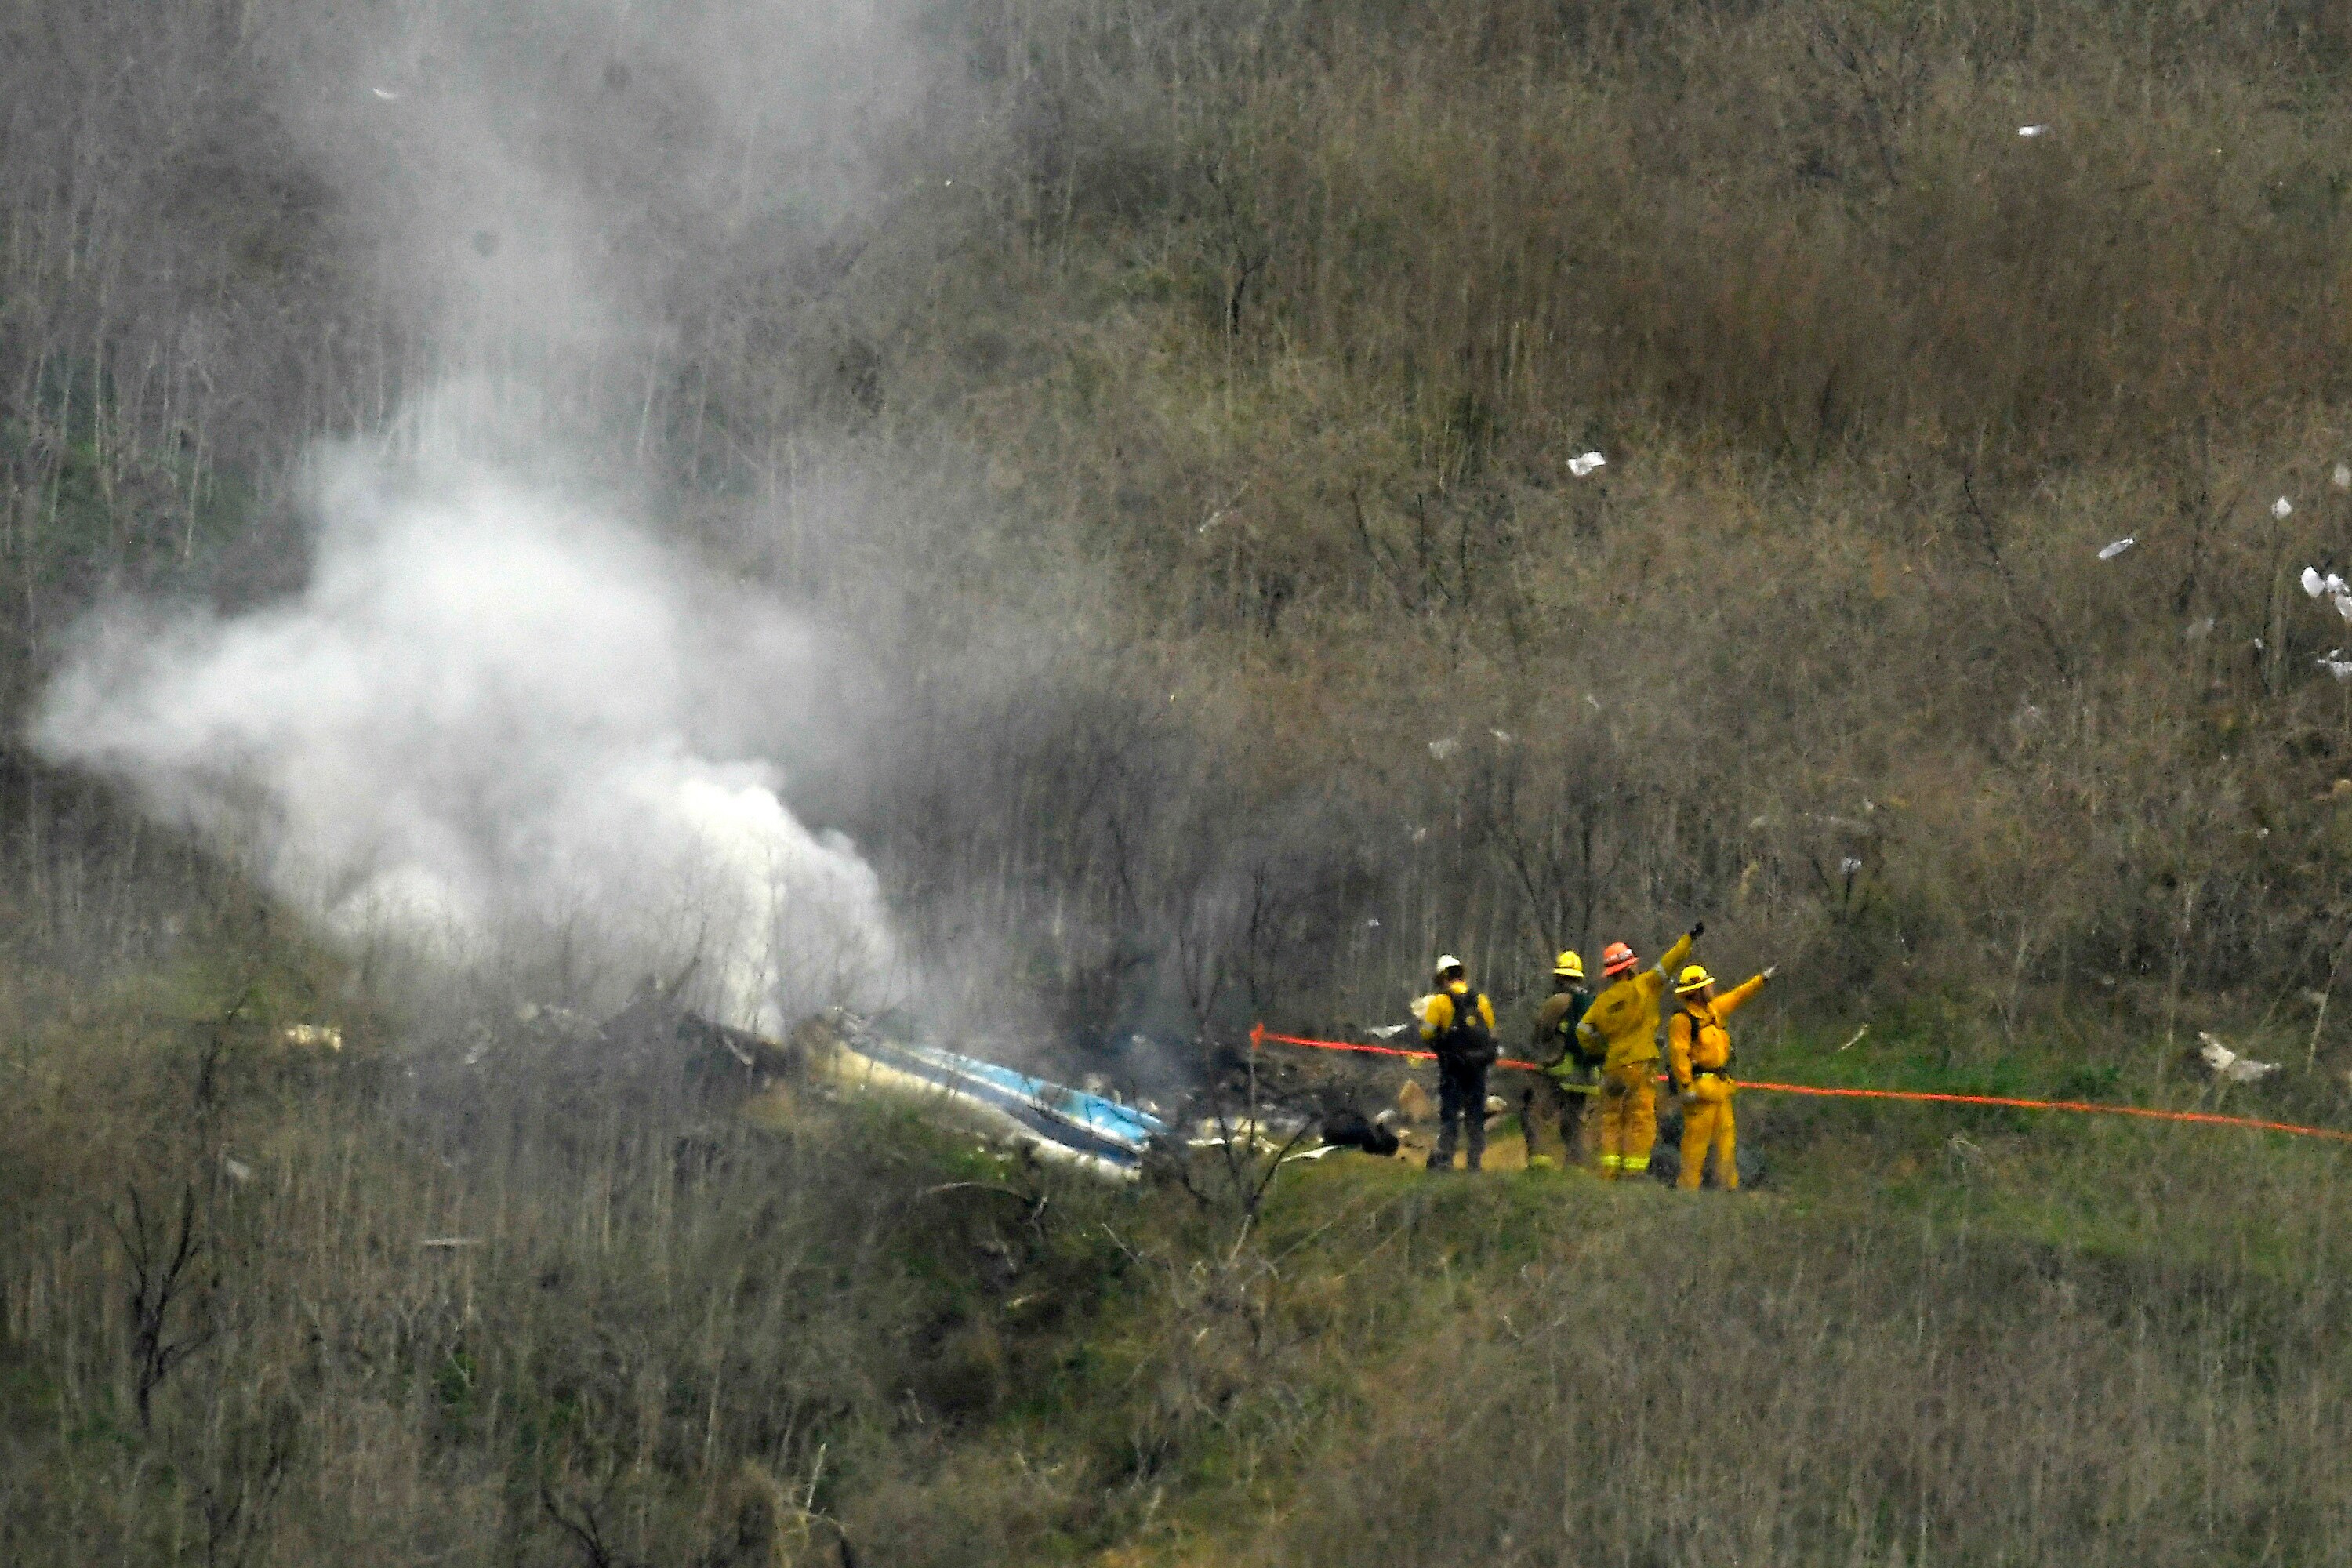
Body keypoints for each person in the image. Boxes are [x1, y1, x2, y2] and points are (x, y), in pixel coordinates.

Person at [1573, 922, 1702, 1180]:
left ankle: (1609, 1174)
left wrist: (1601, 1049)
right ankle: (1634, 1176)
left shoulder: (1602, 1002)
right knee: (1639, 1120)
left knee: (1610, 1120)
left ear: (1610, 973)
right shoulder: (1645, 985)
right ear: (1630, 966)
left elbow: (1582, 1031)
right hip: (1640, 1067)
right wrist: (1688, 939)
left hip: (1612, 1069)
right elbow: (1670, 962)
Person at [1667, 960, 1777, 1191]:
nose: (1712, 988)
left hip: (1720, 1089)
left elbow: (1738, 995)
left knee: (1726, 1142)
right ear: (1697, 992)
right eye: (1707, 985)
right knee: (1695, 1145)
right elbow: (1679, 1054)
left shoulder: (1714, 1010)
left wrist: (1762, 979)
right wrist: (1686, 1087)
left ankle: (1727, 1187)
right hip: (1700, 1092)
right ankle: (1687, 1189)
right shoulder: (1683, 1019)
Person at [1417, 955, 1498, 1171]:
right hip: (1478, 1068)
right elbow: (1490, 1032)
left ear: (1443, 977)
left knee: (1450, 1115)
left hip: (1452, 1068)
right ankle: (1475, 1163)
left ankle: (1445, 1162)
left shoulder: (1440, 1002)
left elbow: (1426, 1032)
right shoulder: (1481, 1000)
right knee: (1475, 1115)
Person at [1525, 950, 1594, 1169]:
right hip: (1585, 1074)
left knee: (1533, 1112)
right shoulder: (1590, 1002)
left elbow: (1541, 1032)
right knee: (1573, 1121)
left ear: (1559, 977)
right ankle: (1576, 1166)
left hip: (1559, 1070)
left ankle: (1539, 1162)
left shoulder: (1558, 1001)